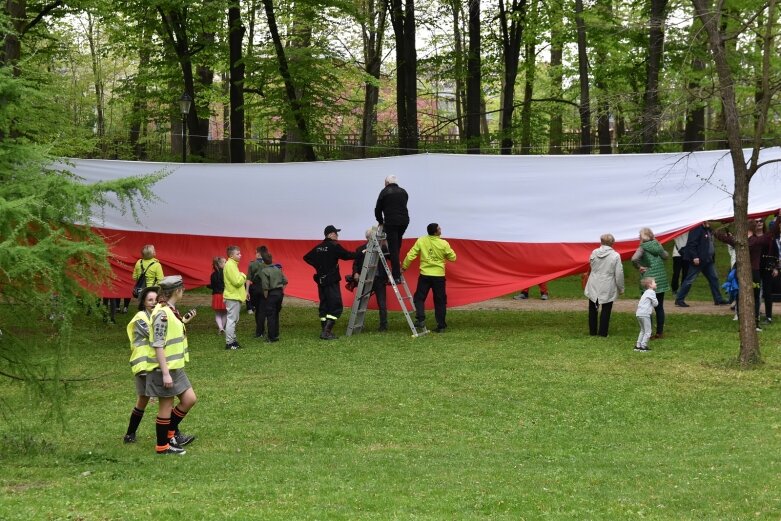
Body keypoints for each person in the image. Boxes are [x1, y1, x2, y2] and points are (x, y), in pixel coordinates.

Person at [147, 275, 197, 455]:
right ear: (177, 291)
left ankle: (170, 435)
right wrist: (165, 373)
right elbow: (158, 344)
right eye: (182, 289)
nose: (183, 291)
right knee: (166, 406)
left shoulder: (170, 310)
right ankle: (163, 446)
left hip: (176, 367)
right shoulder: (162, 313)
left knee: (189, 399)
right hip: (165, 368)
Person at [714, 215, 780, 331]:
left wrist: (723, 226)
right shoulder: (757, 241)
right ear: (754, 228)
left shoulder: (737, 240)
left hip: (740, 273)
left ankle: (742, 322)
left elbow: (718, 234)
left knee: (741, 296)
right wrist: (779, 217)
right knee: (755, 298)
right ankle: (755, 323)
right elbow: (772, 232)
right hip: (754, 274)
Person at [303, 225, 356, 340]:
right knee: (336, 306)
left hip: (321, 281)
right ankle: (326, 332)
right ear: (330, 234)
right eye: (336, 233)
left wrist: (318, 267)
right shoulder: (334, 246)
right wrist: (361, 253)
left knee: (324, 305)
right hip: (331, 280)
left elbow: (306, 257)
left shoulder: (318, 247)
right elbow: (347, 255)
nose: (337, 235)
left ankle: (324, 329)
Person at [402, 223, 457, 333]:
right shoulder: (444, 243)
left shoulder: (421, 240)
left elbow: (411, 255)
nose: (441, 229)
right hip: (439, 276)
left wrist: (404, 267)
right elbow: (453, 257)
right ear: (436, 232)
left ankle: (420, 319)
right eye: (439, 228)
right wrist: (443, 255)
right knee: (440, 301)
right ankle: (441, 326)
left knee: (419, 298)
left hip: (425, 275)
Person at [123, 285, 159, 443]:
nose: (153, 302)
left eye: (156, 300)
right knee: (165, 399)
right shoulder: (141, 318)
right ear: (143, 302)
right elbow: (155, 336)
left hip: (148, 364)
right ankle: (173, 433)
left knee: (142, 399)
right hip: (144, 365)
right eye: (150, 300)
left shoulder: (156, 316)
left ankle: (129, 435)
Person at [675, 221, 727, 307]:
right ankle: (679, 299)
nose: (711, 222)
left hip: (707, 260)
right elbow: (691, 243)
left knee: (714, 278)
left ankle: (718, 299)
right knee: (689, 279)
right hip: (699, 260)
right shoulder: (697, 228)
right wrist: (695, 257)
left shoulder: (708, 229)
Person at [631, 227, 669, 339]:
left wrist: (639, 267)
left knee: (648, 307)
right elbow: (665, 256)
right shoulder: (657, 244)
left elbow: (634, 259)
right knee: (660, 307)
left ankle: (649, 332)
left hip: (648, 279)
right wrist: (661, 248)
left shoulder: (642, 248)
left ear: (642, 237)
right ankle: (660, 332)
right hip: (660, 279)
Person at [584, 233, 625, 337]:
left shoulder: (594, 252)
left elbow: (591, 266)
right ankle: (603, 333)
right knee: (606, 309)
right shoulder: (615, 255)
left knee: (592, 308)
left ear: (601, 242)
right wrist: (621, 288)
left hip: (594, 282)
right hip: (607, 283)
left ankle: (592, 332)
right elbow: (619, 273)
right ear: (612, 243)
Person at [351, 227, 389, 331]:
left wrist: (386, 243)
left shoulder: (383, 248)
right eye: (374, 236)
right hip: (365, 279)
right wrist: (355, 273)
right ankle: (359, 324)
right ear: (368, 238)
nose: (376, 238)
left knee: (382, 303)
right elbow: (355, 264)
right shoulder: (360, 249)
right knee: (361, 302)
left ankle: (383, 325)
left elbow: (392, 256)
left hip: (379, 279)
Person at [375, 175, 409, 282]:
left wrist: (381, 222)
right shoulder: (403, 191)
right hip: (404, 221)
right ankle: (396, 267)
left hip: (391, 221)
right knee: (397, 245)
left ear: (387, 182)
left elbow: (377, 209)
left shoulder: (384, 192)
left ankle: (396, 276)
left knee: (393, 249)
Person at [260, 249, 288, 342]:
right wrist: (280, 290)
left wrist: (266, 296)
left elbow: (265, 287)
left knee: (270, 315)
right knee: (276, 314)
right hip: (279, 293)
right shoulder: (277, 269)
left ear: (263, 261)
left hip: (271, 294)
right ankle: (276, 334)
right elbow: (285, 281)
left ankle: (271, 337)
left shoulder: (264, 271)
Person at [223, 245, 247, 349]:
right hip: (233, 296)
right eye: (238, 254)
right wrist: (243, 275)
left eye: (240, 253)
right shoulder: (230, 265)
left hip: (234, 296)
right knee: (231, 320)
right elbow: (237, 282)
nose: (240, 255)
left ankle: (233, 340)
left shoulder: (232, 264)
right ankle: (230, 343)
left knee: (233, 320)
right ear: (231, 255)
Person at [758, 217, 780, 324]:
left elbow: (776, 252)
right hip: (755, 268)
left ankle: (769, 317)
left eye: (761, 221)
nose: (759, 223)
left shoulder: (769, 237)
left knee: (767, 293)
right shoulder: (750, 237)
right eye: (756, 222)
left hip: (767, 268)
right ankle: (755, 314)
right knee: (756, 292)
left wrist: (776, 267)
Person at [247, 246, 268, 339]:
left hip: (255, 289)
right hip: (265, 288)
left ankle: (259, 331)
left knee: (257, 310)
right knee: (262, 310)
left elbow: (248, 279)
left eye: (255, 252)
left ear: (258, 253)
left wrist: (246, 291)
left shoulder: (252, 264)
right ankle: (261, 331)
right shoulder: (268, 263)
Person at [635, 277, 658, 352]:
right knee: (648, 331)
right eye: (654, 282)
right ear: (650, 285)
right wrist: (654, 302)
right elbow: (655, 303)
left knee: (642, 330)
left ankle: (638, 345)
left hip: (639, 313)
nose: (656, 284)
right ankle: (643, 346)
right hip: (645, 314)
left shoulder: (645, 292)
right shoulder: (652, 292)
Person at [207, 256, 227, 334]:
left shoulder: (213, 275)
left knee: (218, 314)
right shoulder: (226, 273)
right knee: (225, 313)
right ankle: (222, 328)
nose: (226, 263)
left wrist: (208, 286)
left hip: (216, 296)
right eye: (225, 262)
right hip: (225, 295)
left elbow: (212, 286)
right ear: (220, 264)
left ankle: (220, 328)